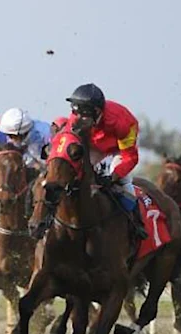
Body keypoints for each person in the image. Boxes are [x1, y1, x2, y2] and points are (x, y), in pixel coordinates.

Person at [65, 83, 148, 239]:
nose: (78, 119)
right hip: (94, 146)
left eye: (84, 115)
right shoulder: (75, 119)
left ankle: (136, 224)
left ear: (97, 112)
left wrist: (113, 176)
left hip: (118, 148)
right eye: (76, 113)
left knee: (122, 182)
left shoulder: (122, 123)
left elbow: (130, 157)